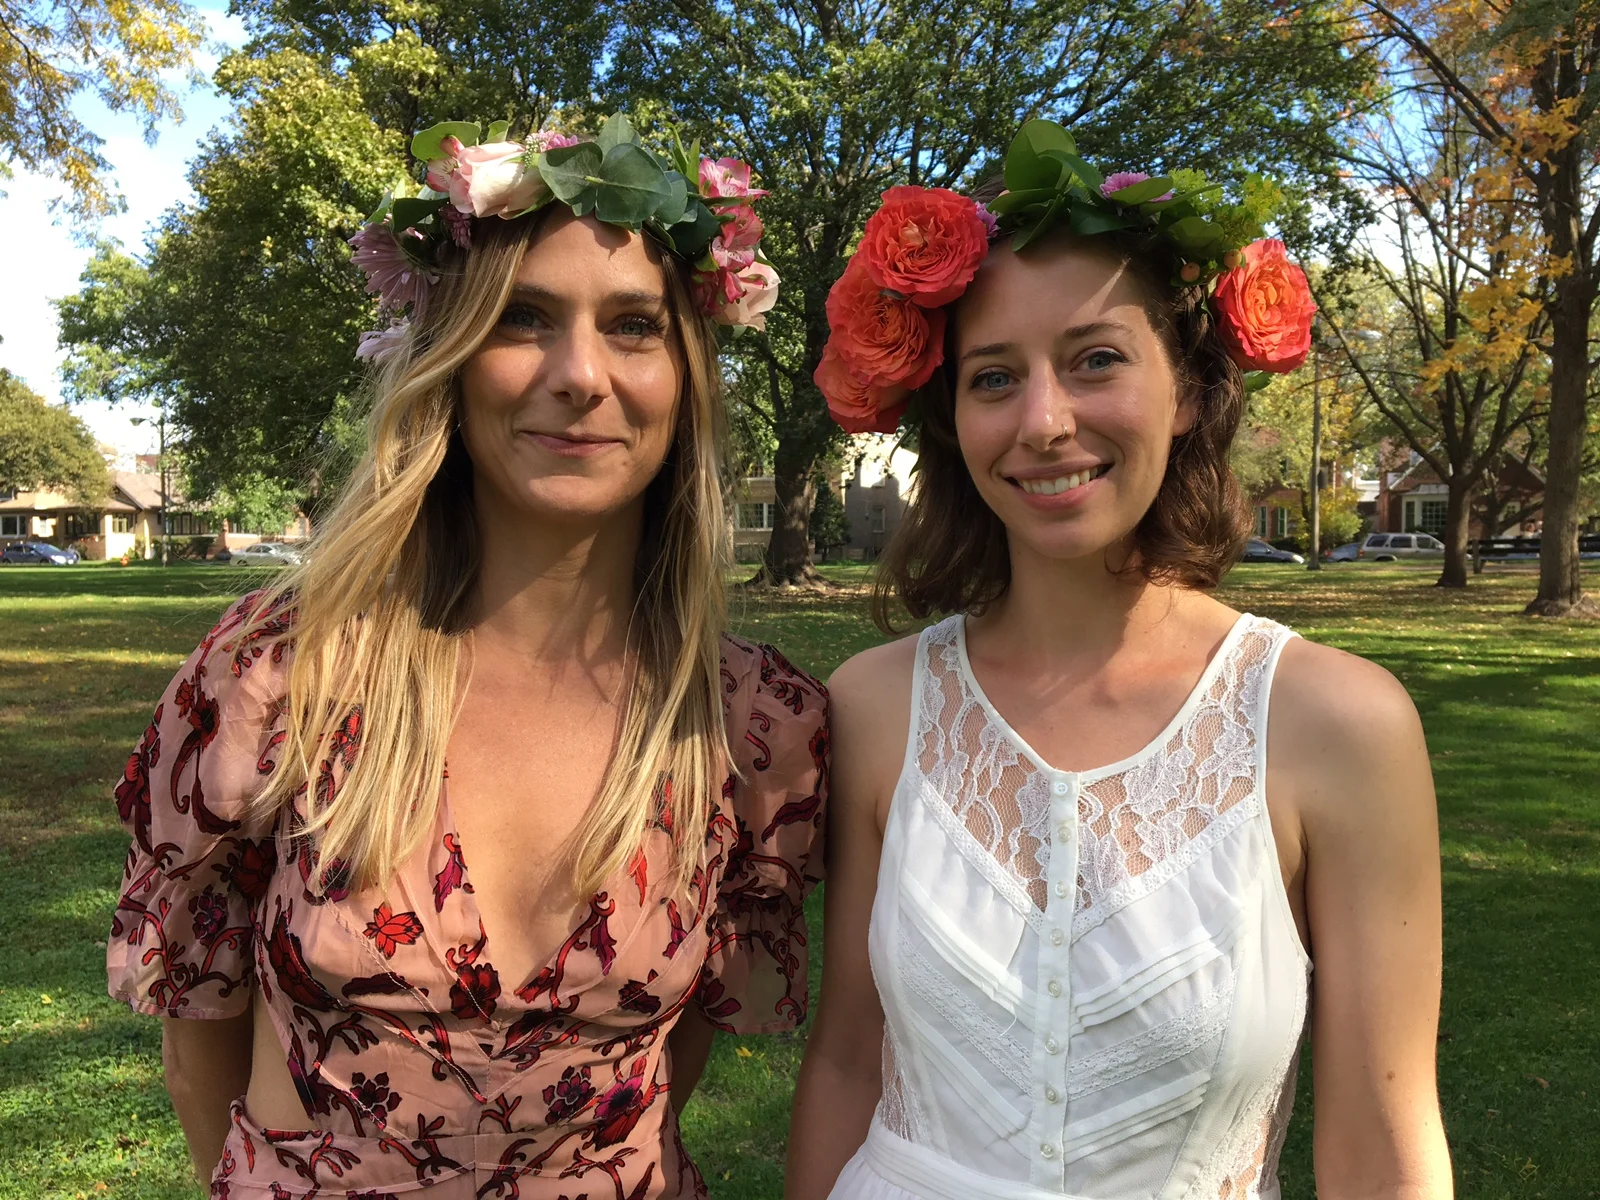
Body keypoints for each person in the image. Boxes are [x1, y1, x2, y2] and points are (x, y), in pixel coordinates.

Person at [106, 115, 824, 1200]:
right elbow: (198, 1038)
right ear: (450, 355)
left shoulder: (750, 723)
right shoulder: (279, 676)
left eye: (634, 326)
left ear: (687, 379)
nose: (581, 374)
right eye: (524, 318)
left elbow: (672, 1067)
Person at [789, 121, 1451, 1200]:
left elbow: (1383, 1137)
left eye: (1096, 359)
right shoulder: (875, 704)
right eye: (994, 377)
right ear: (951, 419)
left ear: (1188, 390)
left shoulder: (1336, 725)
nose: (1044, 422)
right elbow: (847, 1061)